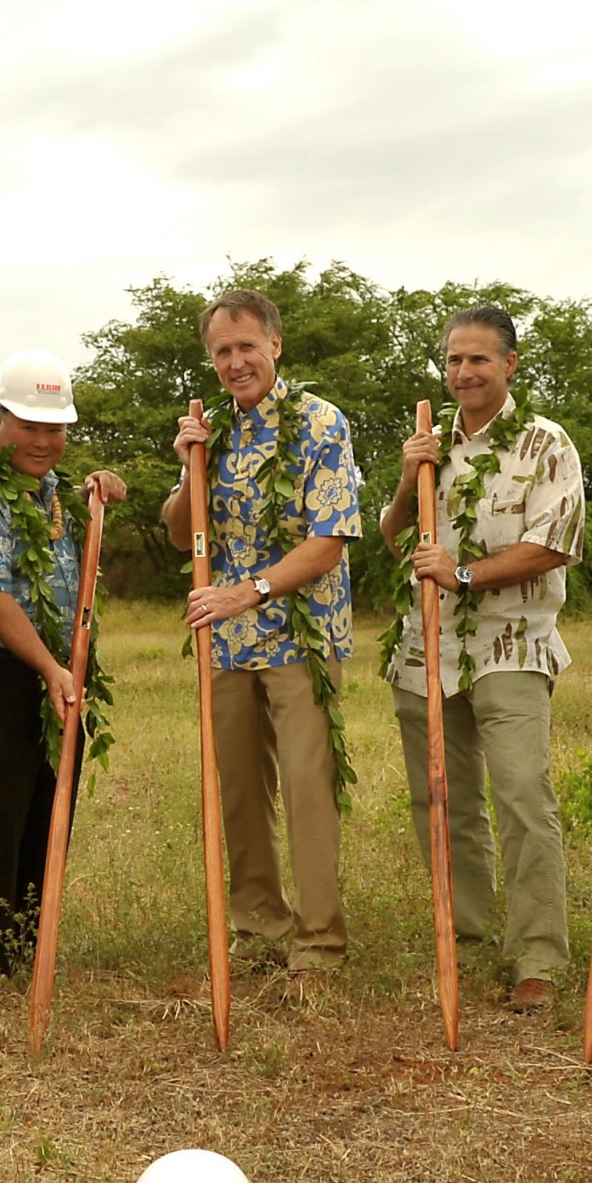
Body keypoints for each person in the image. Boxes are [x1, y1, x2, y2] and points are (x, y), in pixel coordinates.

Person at [377, 304, 585, 1013]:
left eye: (479, 360)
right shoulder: (430, 443)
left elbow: (552, 543)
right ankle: (461, 935)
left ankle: (536, 957)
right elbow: (392, 534)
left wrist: (463, 573)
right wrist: (411, 476)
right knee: (442, 799)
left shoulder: (545, 442)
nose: (464, 372)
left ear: (509, 365)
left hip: (511, 647)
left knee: (523, 795)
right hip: (426, 649)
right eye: (454, 360)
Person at [165, 288, 363, 997]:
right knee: (241, 790)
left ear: (275, 345)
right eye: (222, 350)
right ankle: (257, 926)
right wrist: (190, 461)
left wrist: (251, 589)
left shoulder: (320, 422)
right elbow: (179, 525)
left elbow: (329, 540)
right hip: (228, 641)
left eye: (247, 345)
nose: (236, 361)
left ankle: (317, 943)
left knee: (309, 789)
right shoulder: (212, 429)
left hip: (301, 636)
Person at [0, 352, 128, 973]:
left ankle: (23, 947)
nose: (43, 441)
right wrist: (50, 668)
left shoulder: (51, 495)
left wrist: (106, 492)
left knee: (45, 809)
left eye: (55, 429)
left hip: (48, 674)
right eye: (29, 426)